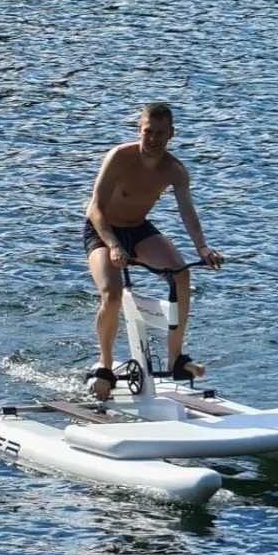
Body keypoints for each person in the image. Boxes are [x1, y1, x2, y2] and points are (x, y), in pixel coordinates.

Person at [83, 102, 224, 400]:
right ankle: (105, 366)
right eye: (148, 132)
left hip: (139, 229)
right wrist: (113, 245)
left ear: (171, 134)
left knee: (181, 273)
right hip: (102, 231)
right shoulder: (119, 157)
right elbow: (94, 208)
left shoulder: (174, 170)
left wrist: (203, 248)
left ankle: (175, 359)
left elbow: (188, 212)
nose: (153, 139)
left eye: (160, 133)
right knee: (112, 292)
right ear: (139, 130)